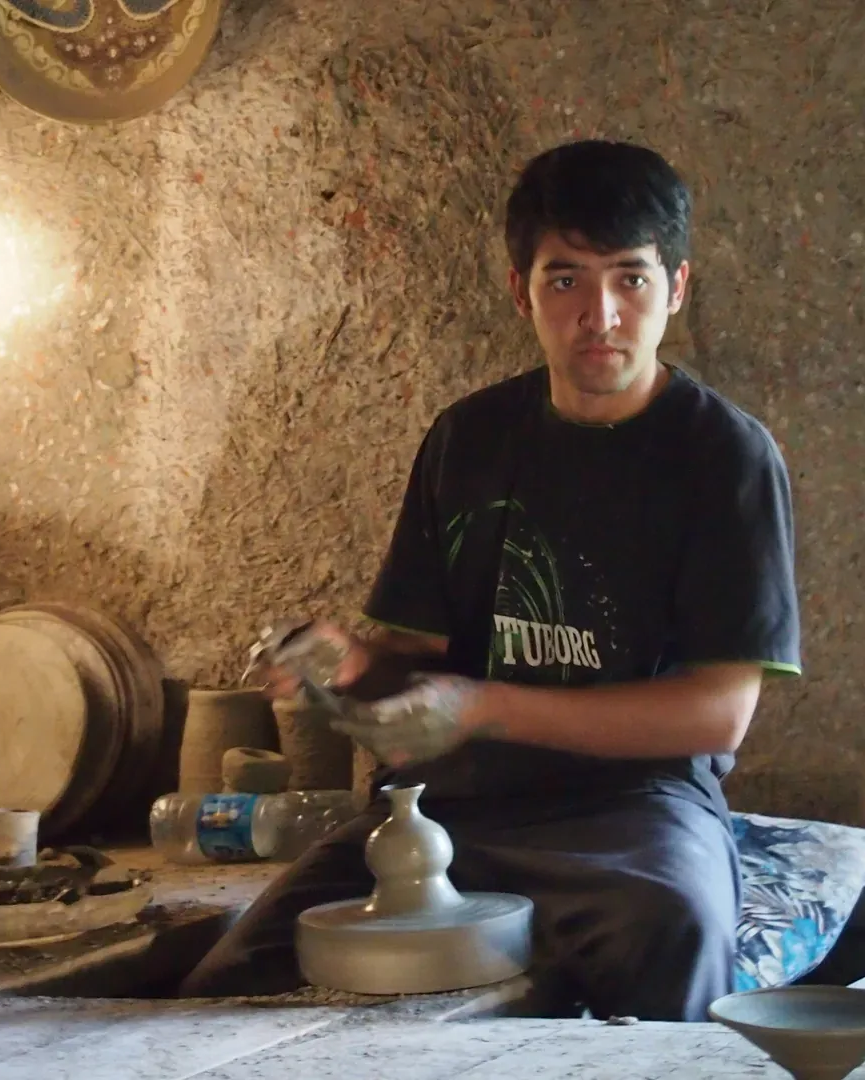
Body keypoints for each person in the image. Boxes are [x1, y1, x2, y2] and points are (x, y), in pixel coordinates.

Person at [176, 139, 800, 1022]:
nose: (602, 315)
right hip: (451, 812)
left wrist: (485, 707)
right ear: (521, 292)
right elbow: (420, 662)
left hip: (631, 816)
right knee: (231, 981)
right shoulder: (468, 440)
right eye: (566, 281)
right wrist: (348, 665)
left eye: (631, 279)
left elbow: (715, 714)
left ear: (677, 289)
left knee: (675, 929)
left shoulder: (725, 457)